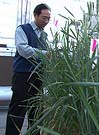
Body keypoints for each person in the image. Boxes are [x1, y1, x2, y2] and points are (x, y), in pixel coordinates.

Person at [5, 3, 51, 135]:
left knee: (35, 109)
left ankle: (34, 133)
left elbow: (45, 54)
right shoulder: (22, 29)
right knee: (18, 108)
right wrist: (45, 54)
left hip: (38, 75)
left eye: (48, 18)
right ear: (35, 15)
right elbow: (23, 50)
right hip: (23, 75)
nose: (46, 21)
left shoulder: (44, 35)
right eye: (44, 18)